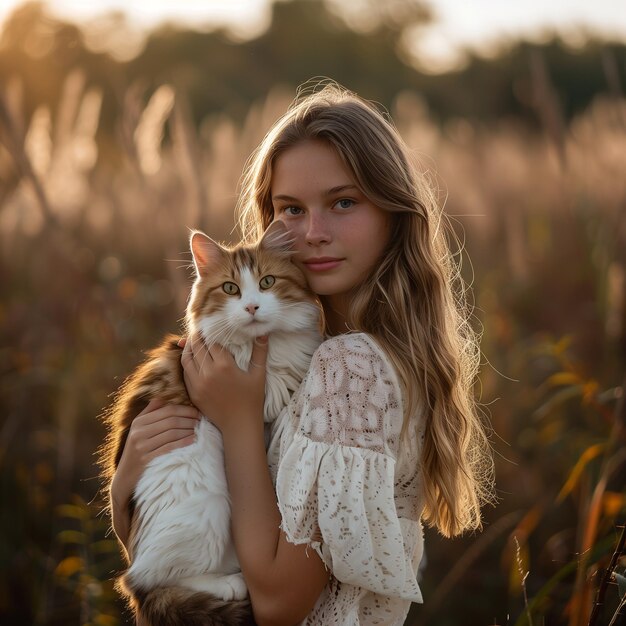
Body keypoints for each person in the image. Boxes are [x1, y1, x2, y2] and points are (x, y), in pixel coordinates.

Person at [109, 82, 495, 625]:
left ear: (393, 210)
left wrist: (238, 419)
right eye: (291, 208)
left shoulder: (350, 371)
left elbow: (277, 604)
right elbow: (171, 560)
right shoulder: (320, 356)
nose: (312, 233)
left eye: (343, 202)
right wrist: (127, 480)